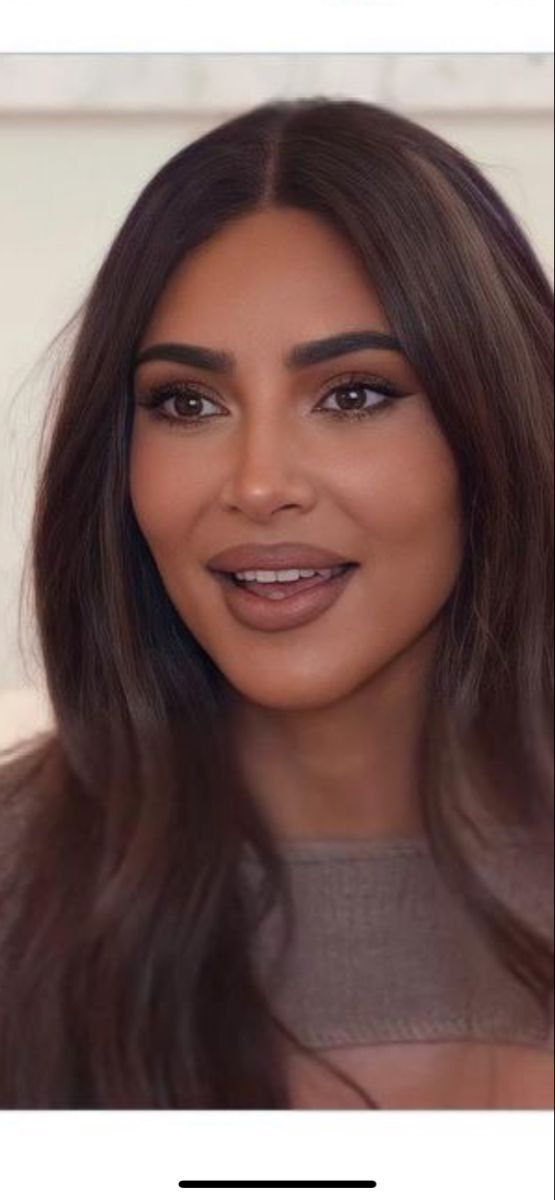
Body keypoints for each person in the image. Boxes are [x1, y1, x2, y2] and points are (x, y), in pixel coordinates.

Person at [0, 97, 553, 1109]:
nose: (258, 485)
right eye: (186, 404)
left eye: (353, 394)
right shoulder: (19, 890)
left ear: (499, 421)